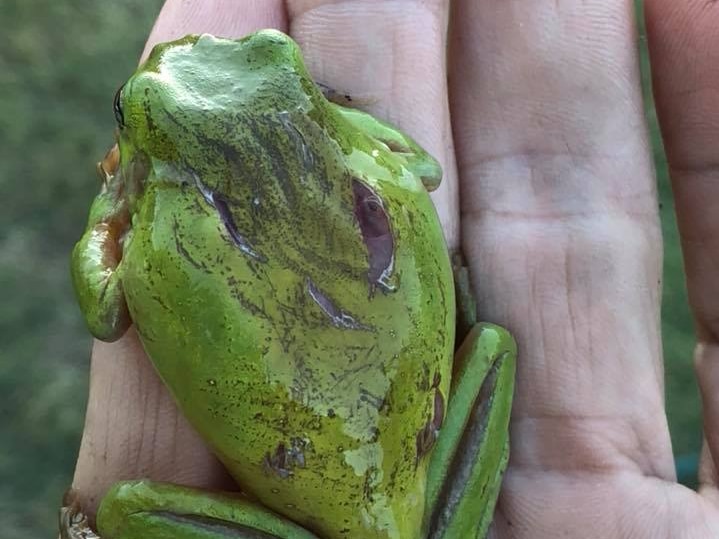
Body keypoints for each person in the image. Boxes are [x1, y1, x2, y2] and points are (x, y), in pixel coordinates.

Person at [68, 0, 719, 536]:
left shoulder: (156, 239)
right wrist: (332, 118)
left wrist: (109, 208)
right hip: (420, 490)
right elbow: (425, 170)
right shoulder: (369, 160)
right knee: (486, 342)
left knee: (125, 510)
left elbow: (103, 306)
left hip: (343, 498)